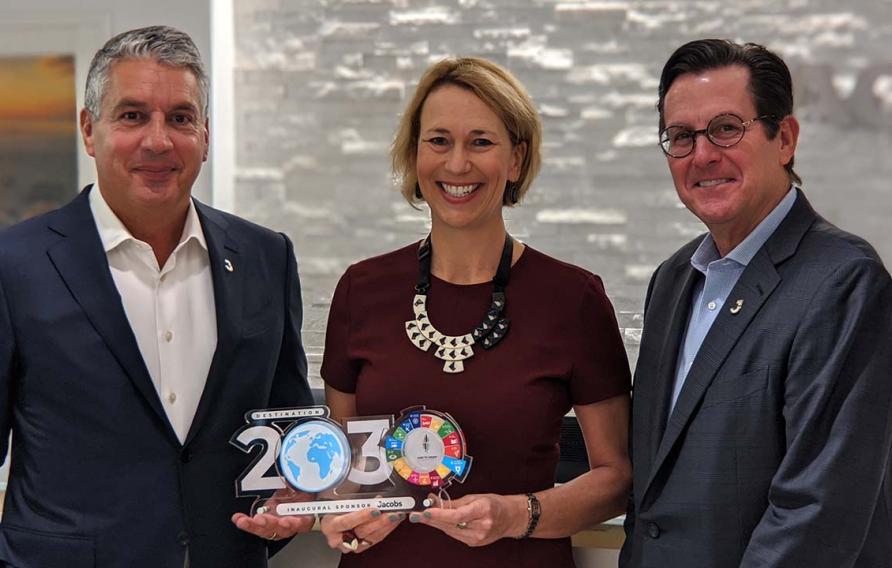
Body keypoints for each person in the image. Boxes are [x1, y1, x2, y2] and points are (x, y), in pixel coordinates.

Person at [0, 26, 314, 568]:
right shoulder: (15, 264)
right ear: (89, 130)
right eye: (132, 115)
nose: (158, 140)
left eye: (181, 118)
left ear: (206, 136)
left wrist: (296, 494)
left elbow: (287, 418)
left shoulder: (266, 257)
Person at [318, 56, 632, 567]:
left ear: (516, 160)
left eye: (481, 142)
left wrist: (515, 516)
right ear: (415, 154)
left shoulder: (574, 298)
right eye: (439, 141)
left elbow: (616, 479)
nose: (457, 164)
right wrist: (338, 512)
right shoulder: (361, 290)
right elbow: (346, 471)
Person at [620, 39, 892, 568]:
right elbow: (658, 475)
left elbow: (817, 512)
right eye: (682, 136)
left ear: (784, 138)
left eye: (726, 128)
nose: (703, 155)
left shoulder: (845, 283)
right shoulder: (672, 280)